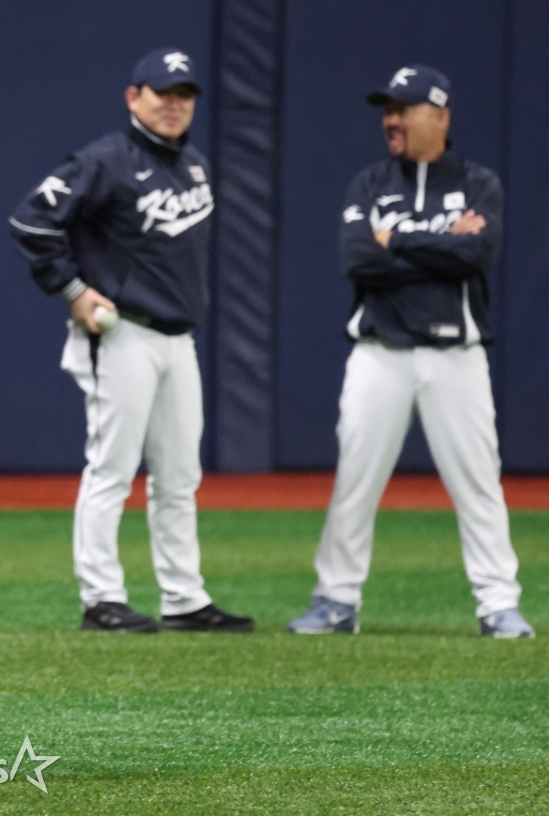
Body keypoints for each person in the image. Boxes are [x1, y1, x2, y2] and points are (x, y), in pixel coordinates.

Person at [8, 48, 253, 634]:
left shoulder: (193, 164)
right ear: (133, 96)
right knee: (112, 469)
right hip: (122, 336)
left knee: (179, 476)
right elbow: (30, 220)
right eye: (162, 93)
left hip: (177, 339)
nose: (174, 104)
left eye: (184, 95)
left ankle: (184, 597)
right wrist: (73, 290)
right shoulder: (104, 160)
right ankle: (102, 598)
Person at [287, 64, 534, 638]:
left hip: (457, 354)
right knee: (355, 479)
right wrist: (441, 243)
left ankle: (498, 603)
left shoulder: (478, 182)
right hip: (379, 353)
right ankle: (335, 599)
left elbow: (477, 255)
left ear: (440, 116)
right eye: (388, 109)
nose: (391, 120)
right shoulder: (369, 183)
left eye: (404, 108)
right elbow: (357, 259)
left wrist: (394, 238)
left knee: (478, 482)